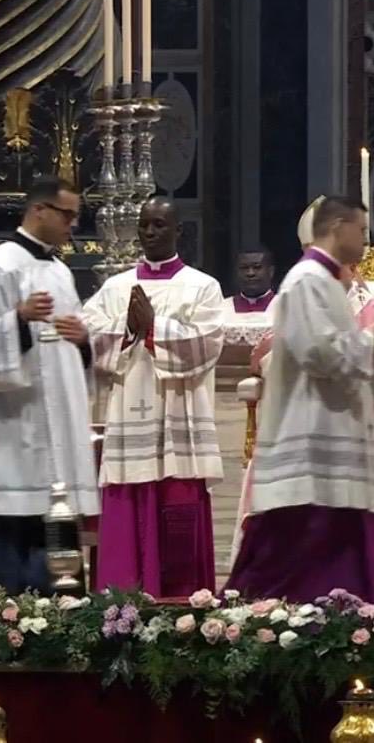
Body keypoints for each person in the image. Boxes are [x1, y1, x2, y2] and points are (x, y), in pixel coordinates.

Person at [226, 195, 374, 603]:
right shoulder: (307, 280)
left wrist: (372, 353)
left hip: (333, 439)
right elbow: (317, 353)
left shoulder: (326, 281)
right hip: (311, 443)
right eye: (361, 230)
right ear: (338, 228)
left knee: (346, 549)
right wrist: (370, 340)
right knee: (291, 563)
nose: (366, 241)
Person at [0, 179, 100, 598]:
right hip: (15, 427)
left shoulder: (60, 271)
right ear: (39, 210)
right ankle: (7, 611)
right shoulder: (1, 265)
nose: (73, 224)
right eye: (67, 215)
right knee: (14, 533)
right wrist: (18, 321)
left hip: (58, 425)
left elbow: (72, 343)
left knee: (58, 525)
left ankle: (60, 610)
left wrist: (83, 341)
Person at [81, 197, 226, 597]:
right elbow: (88, 334)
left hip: (180, 423)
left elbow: (207, 343)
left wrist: (153, 327)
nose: (149, 232)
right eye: (144, 224)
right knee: (126, 507)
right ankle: (119, 606)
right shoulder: (115, 288)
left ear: (178, 231)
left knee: (178, 505)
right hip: (129, 415)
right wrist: (127, 326)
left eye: (159, 224)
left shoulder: (203, 286)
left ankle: (179, 605)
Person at [224, 247, 276, 324]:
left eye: (257, 267)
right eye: (244, 268)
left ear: (271, 271)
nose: (250, 273)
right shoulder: (222, 308)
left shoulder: (284, 306)